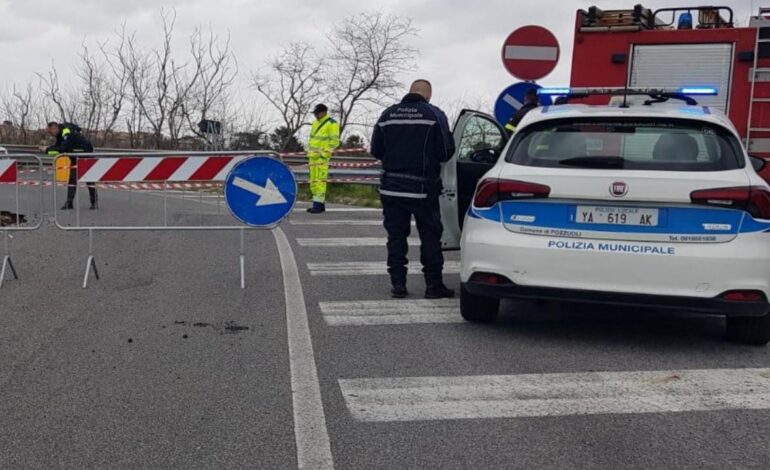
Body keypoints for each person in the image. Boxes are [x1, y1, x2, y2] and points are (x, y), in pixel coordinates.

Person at [371, 79, 456, 299]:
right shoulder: (434, 114)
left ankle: (398, 284)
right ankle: (433, 285)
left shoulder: (387, 115)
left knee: (396, 237)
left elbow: (376, 149)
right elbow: (447, 151)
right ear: (428, 95)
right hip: (423, 189)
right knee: (430, 237)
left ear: (410, 92)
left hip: (391, 188)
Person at [41, 122, 97, 210]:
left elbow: (62, 149)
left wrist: (47, 150)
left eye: (50, 132)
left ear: (54, 128)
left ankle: (94, 203)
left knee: (89, 180)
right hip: (75, 156)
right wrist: (48, 149)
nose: (50, 134)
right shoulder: (60, 134)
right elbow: (57, 146)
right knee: (72, 180)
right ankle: (69, 203)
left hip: (85, 156)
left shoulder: (66, 132)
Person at [306, 104, 341, 214]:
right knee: (313, 182)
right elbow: (312, 140)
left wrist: (324, 155)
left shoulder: (332, 123)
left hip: (321, 158)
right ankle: (319, 204)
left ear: (323, 112)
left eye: (317, 113)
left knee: (320, 181)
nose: (316, 115)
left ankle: (317, 206)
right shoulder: (316, 123)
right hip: (312, 157)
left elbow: (334, 142)